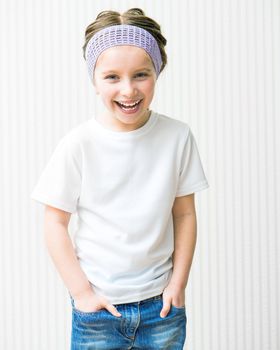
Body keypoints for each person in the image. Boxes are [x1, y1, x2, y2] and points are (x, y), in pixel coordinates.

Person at [30, 8, 209, 350]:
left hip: (162, 306)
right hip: (99, 311)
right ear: (94, 80)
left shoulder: (177, 137)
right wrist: (82, 294)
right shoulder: (78, 144)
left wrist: (178, 285)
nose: (128, 90)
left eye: (141, 74)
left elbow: (184, 213)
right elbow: (54, 222)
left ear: (157, 73)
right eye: (112, 77)